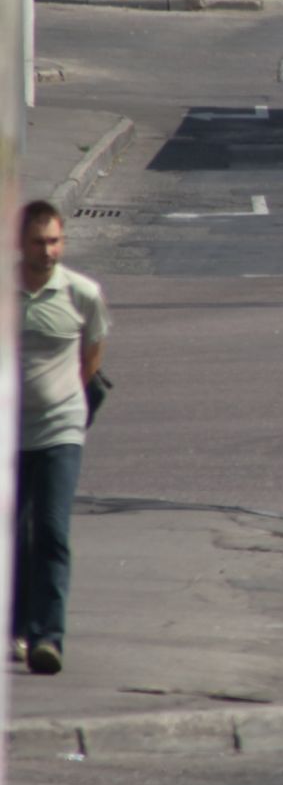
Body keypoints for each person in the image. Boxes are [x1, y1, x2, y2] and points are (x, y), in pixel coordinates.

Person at [14, 201, 109, 675]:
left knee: (51, 530)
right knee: (15, 536)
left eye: (54, 240)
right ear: (20, 243)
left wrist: (66, 397)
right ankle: (15, 625)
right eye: (38, 241)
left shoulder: (82, 293)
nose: (47, 250)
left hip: (61, 430)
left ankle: (47, 637)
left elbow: (92, 352)